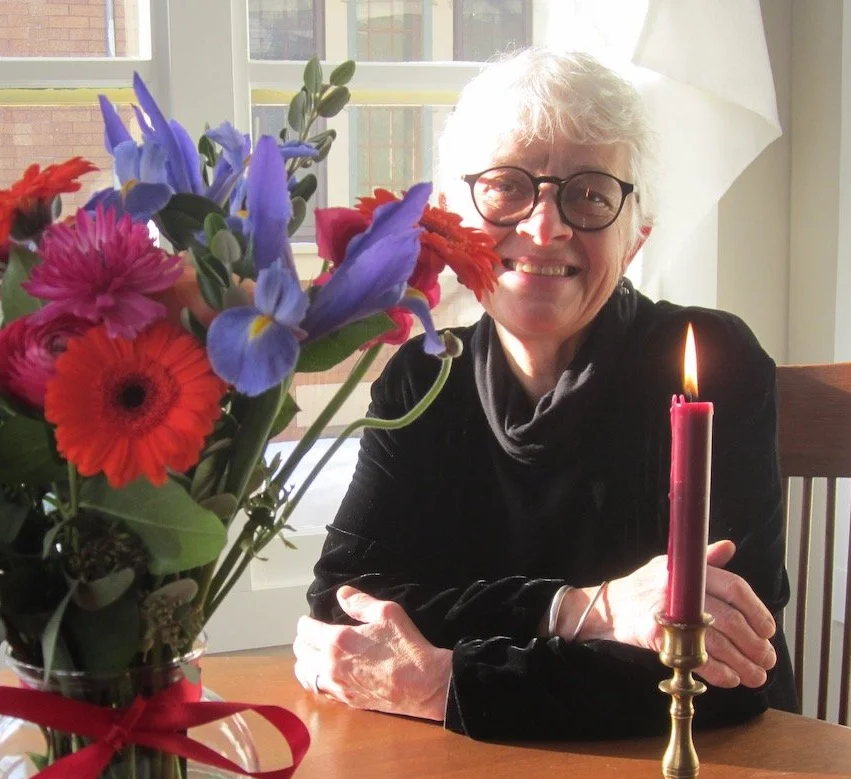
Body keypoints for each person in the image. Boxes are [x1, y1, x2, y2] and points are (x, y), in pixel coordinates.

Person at [292, 48, 799, 741]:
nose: (544, 227)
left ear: (635, 236)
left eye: (590, 194)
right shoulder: (422, 375)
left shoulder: (711, 365)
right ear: (451, 216)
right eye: (507, 186)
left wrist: (447, 680)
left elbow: (729, 672)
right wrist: (587, 609)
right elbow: (341, 607)